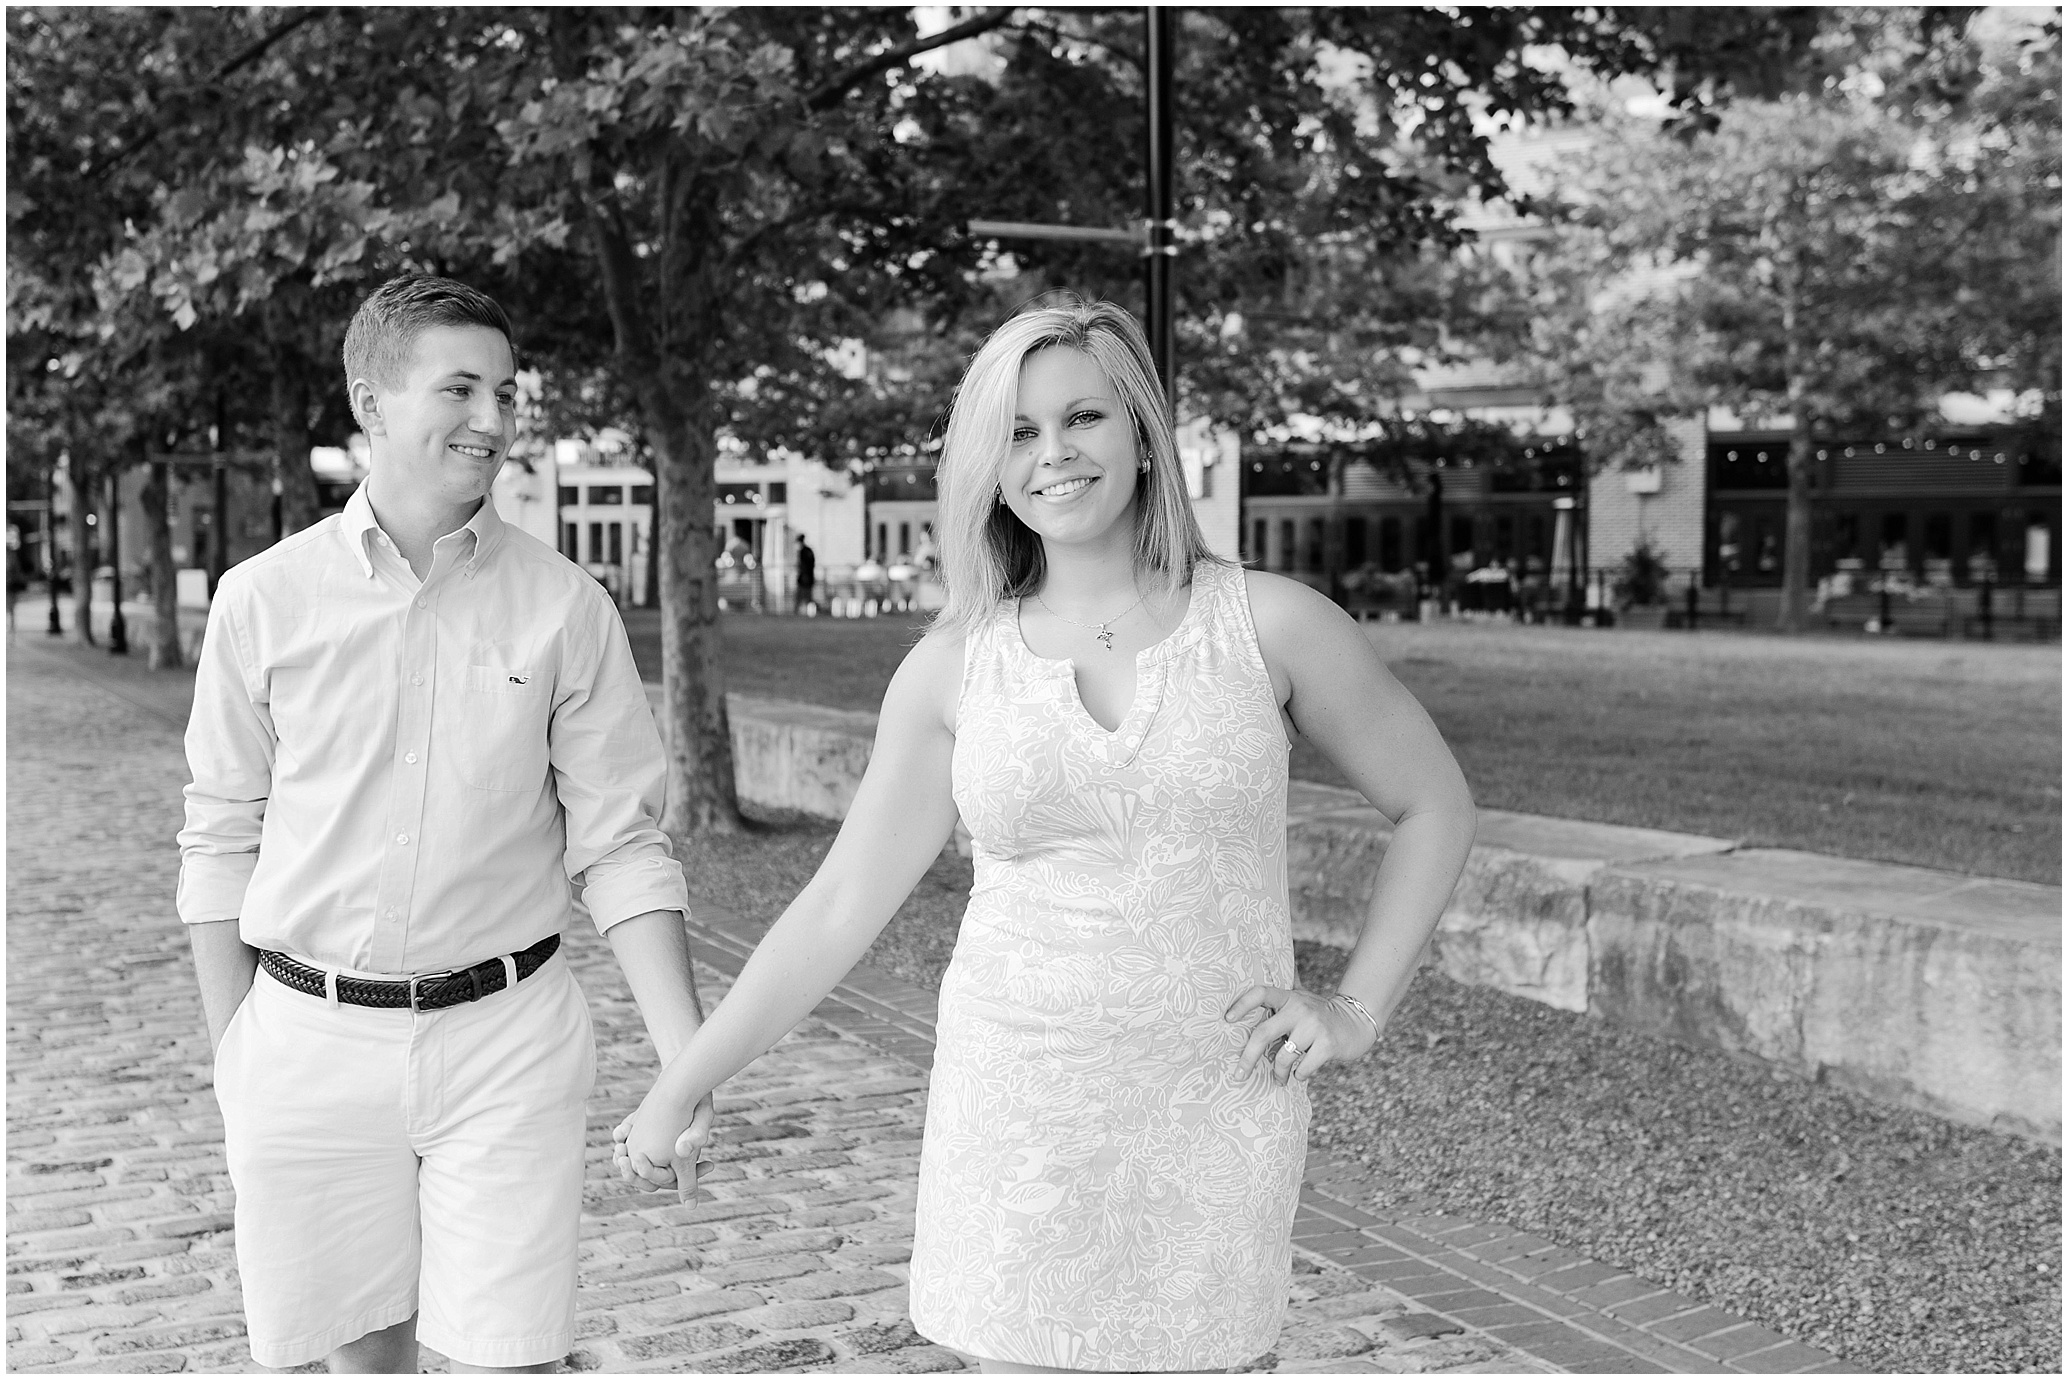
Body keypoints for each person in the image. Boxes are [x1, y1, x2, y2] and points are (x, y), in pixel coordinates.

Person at [612, 296, 1476, 1373]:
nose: (1052, 454)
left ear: (1143, 435)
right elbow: (839, 906)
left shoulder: (1270, 624)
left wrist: (1354, 1007)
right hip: (1017, 1110)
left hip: (1211, 1110)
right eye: (1016, 432)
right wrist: (683, 1080)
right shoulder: (952, 666)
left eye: (1083, 419)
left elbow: (1435, 806)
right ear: (986, 464)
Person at [178, 274, 711, 1374]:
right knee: (365, 1356)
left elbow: (620, 845)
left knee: (506, 1360)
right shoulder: (261, 600)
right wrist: (236, 1056)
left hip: (506, 1038)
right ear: (370, 405)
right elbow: (220, 833)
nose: (493, 421)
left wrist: (684, 1065)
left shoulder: (567, 606)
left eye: (507, 394)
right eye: (459, 389)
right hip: (307, 1038)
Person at [794, 532, 817, 613]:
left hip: (805, 578)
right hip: (806, 578)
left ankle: (811, 611)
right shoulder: (806, 551)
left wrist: (805, 576)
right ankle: (800, 612)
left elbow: (805, 566)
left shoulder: (804, 551)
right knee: (803, 597)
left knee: (804, 597)